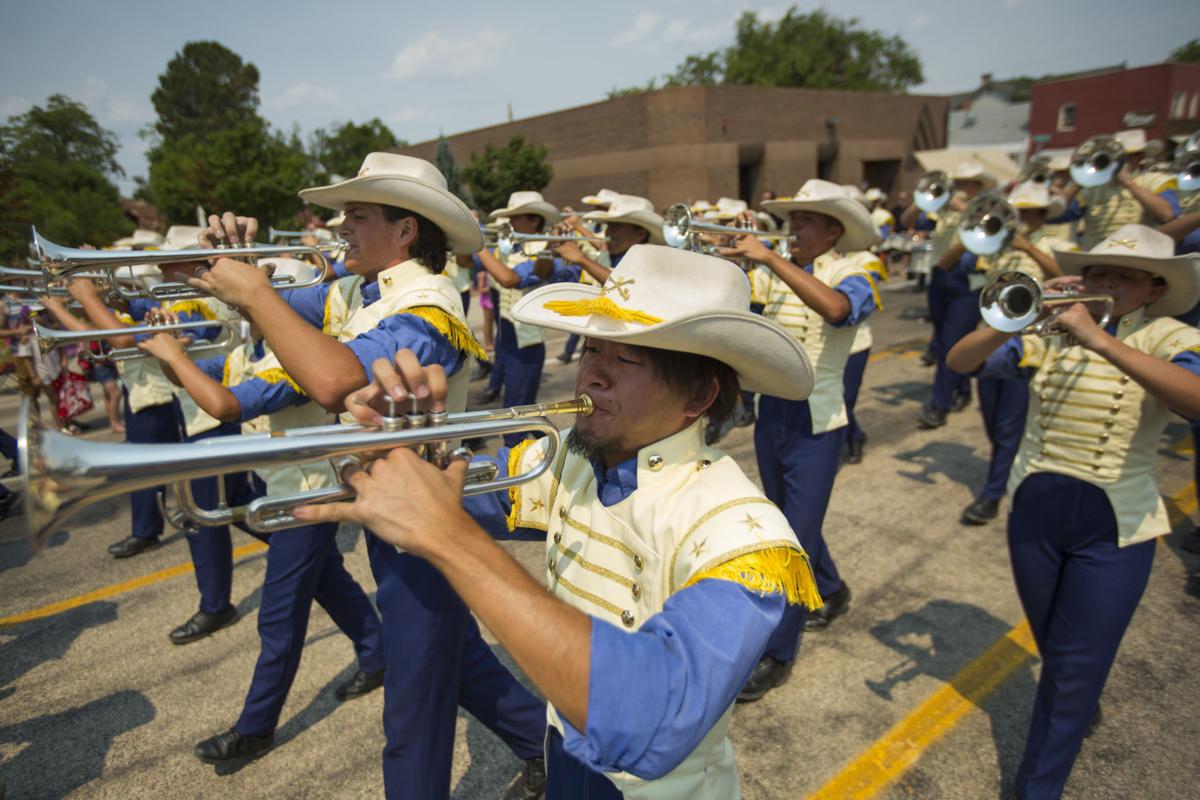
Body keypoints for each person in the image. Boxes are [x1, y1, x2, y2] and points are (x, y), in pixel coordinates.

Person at [295, 244, 824, 797]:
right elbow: (441, 496)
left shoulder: (745, 535)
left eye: (626, 360)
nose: (591, 376)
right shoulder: (568, 456)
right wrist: (397, 449)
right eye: (591, 348)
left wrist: (451, 540)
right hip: (565, 754)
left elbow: (652, 718)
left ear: (699, 395)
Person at [189, 153, 547, 798]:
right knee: (452, 660)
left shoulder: (430, 305)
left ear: (405, 230)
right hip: (392, 511)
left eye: (356, 216)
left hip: (423, 524)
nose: (340, 228)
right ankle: (550, 749)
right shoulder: (360, 290)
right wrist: (225, 262)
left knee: (411, 712)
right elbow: (275, 309)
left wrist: (256, 293)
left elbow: (333, 381)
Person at [947, 224, 1200, 799]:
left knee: (1070, 672)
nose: (1104, 283)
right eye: (1095, 273)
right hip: (1034, 509)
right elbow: (961, 361)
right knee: (1059, 653)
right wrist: (1014, 317)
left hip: (1116, 524)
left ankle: (1037, 787)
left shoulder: (1171, 336)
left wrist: (1102, 341)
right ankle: (1079, 699)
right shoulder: (1052, 332)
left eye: (1123, 276)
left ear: (1155, 288)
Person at [136, 303, 386, 765]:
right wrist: (170, 356)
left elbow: (225, 405)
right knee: (327, 581)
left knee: (278, 616)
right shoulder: (247, 351)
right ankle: (377, 652)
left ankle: (255, 728)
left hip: (307, 499)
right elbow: (193, 382)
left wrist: (174, 356)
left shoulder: (299, 363)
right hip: (279, 491)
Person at [726, 179, 881, 699]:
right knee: (792, 521)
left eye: (805, 221)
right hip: (774, 414)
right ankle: (831, 589)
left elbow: (838, 310)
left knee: (791, 540)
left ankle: (778, 652)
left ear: (833, 231)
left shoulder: (856, 270)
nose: (793, 230)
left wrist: (770, 258)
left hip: (818, 421)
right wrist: (732, 261)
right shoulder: (778, 270)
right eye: (792, 221)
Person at [960, 181, 1075, 525]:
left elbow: (1070, 280)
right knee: (992, 416)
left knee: (1009, 423)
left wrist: (1030, 249)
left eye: (1026, 214)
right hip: (991, 336)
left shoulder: (1057, 243)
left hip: (1031, 344)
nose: (1019, 221)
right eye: (1017, 214)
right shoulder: (999, 248)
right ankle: (1006, 468)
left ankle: (993, 493)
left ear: (1041, 214)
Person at [901, 161, 997, 429]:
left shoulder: (988, 210)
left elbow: (989, 230)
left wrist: (963, 208)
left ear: (979, 186)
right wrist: (922, 200)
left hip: (970, 281)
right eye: (959, 183)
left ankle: (939, 405)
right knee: (947, 338)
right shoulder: (943, 211)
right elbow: (907, 222)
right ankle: (962, 388)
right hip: (940, 278)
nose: (962, 187)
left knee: (948, 343)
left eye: (968, 183)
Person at [1054, 129, 1180, 251]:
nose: (1119, 162)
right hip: (1096, 256)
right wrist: (1079, 180)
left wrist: (1129, 183)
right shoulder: (1091, 188)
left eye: (1126, 157)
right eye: (1116, 157)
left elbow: (1166, 214)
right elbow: (1054, 214)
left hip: (1138, 255)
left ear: (1140, 157)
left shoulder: (1154, 181)